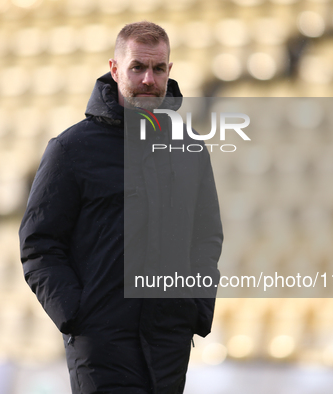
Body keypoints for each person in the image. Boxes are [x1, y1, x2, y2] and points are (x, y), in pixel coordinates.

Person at [19, 21, 223, 394]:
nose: (148, 79)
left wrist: (194, 308)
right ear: (114, 70)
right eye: (137, 67)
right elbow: (39, 245)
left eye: (158, 68)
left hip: (169, 342)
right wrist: (77, 315)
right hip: (100, 344)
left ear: (169, 71)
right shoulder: (70, 149)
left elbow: (206, 236)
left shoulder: (190, 148)